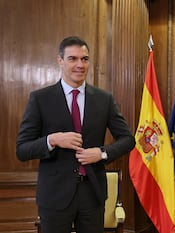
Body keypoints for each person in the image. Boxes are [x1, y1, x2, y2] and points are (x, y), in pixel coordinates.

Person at [16, 36, 136, 233]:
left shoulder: (104, 100)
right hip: (55, 195)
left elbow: (128, 139)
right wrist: (52, 140)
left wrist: (102, 153)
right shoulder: (40, 99)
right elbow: (22, 150)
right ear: (60, 61)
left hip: (92, 193)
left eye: (85, 59)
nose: (80, 65)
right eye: (73, 59)